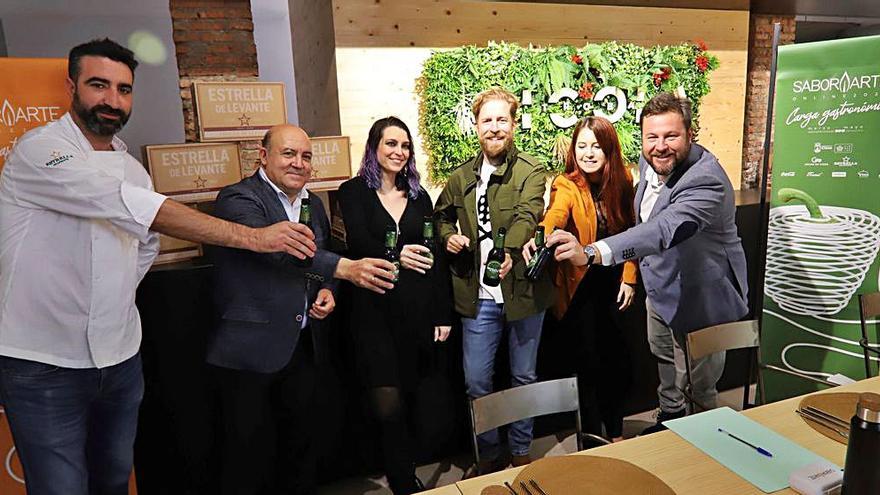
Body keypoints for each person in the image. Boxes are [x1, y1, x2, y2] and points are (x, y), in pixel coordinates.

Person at [0, 38, 389, 494]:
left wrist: (328, 288)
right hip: (48, 361)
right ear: (72, 85)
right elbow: (158, 216)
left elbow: (141, 249)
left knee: (113, 477)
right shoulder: (39, 150)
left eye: (124, 89)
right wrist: (328, 262)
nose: (112, 99)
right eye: (99, 85)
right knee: (61, 485)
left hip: (121, 355)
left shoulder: (131, 169)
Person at [547, 92, 749, 433]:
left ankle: (704, 444)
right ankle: (669, 420)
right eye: (651, 137)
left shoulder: (706, 179)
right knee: (665, 362)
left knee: (699, 384)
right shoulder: (650, 162)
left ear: (690, 133)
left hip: (702, 294)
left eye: (671, 136)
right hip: (661, 288)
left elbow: (662, 229)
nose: (660, 146)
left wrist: (592, 252)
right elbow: (642, 219)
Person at [206, 124, 351, 494]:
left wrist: (328, 289)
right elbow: (281, 253)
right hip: (248, 351)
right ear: (264, 155)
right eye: (288, 154)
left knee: (300, 446)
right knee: (246, 455)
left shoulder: (313, 203)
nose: (298, 163)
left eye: (305, 156)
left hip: (301, 345)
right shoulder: (237, 199)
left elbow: (319, 256)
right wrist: (347, 270)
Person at [435, 87, 554, 471]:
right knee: (476, 383)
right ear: (476, 126)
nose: (495, 127)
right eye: (488, 120)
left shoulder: (532, 171)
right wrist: (447, 236)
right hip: (477, 297)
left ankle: (520, 451)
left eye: (502, 119)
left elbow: (527, 213)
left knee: (524, 376)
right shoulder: (459, 177)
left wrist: (511, 251)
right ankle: (487, 454)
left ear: (514, 124)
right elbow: (439, 217)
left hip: (522, 292)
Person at [337, 117, 453, 495]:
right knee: (387, 401)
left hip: (418, 313)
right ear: (374, 147)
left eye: (405, 146)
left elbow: (434, 256)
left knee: (416, 396)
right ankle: (402, 480)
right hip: (373, 313)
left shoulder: (419, 196)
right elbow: (358, 243)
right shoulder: (352, 191)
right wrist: (397, 255)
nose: (398, 152)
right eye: (390, 144)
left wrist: (441, 313)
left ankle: (406, 467)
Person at [523, 116, 638, 443]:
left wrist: (629, 278)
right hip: (581, 287)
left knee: (616, 361)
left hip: (615, 283)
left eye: (596, 146)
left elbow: (632, 234)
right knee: (587, 365)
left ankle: (615, 432)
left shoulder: (623, 180)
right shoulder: (567, 184)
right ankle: (591, 439)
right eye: (582, 145)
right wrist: (541, 235)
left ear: (609, 149)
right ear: (573, 149)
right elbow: (555, 215)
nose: (588, 153)